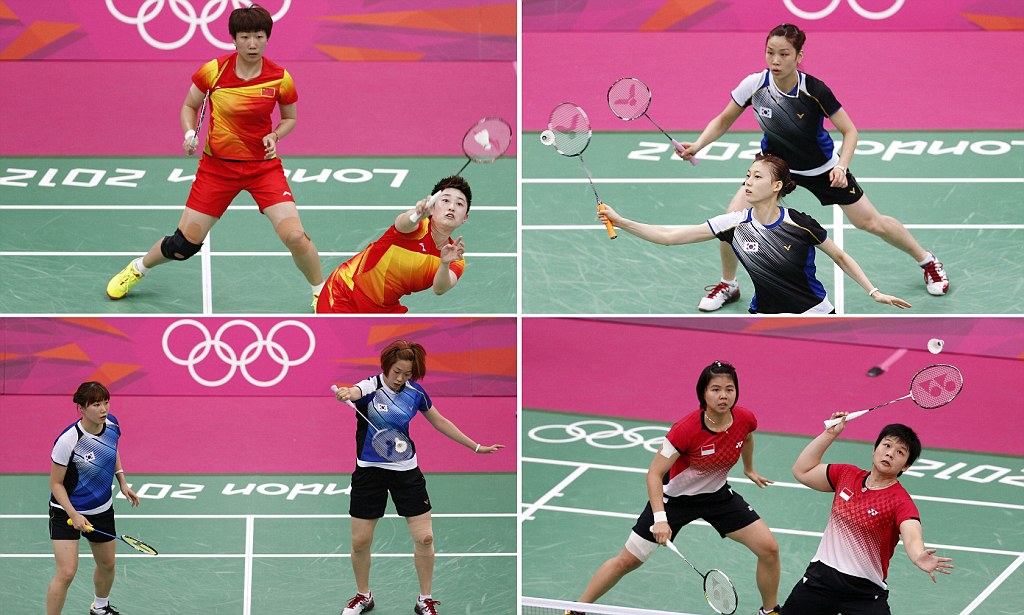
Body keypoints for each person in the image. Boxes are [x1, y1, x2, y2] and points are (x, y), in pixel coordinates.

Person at [678, 23, 949, 311]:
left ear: (799, 56)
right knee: (732, 219)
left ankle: (927, 260)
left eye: (784, 54)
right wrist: (699, 144)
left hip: (821, 168)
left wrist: (842, 167)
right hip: (776, 167)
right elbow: (723, 120)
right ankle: (729, 283)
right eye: (770, 53)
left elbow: (850, 131)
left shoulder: (813, 90)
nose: (775, 61)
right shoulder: (755, 84)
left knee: (870, 222)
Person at [106, 4, 324, 309]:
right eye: (245, 36)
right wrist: (188, 134)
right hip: (217, 169)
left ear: (267, 38)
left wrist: (276, 135)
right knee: (183, 245)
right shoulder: (214, 71)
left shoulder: (280, 78)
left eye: (258, 36)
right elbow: (189, 107)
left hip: (263, 169)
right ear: (233, 39)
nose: (251, 44)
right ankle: (138, 268)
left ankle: (321, 292)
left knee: (296, 237)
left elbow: (290, 118)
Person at [566, 361, 783, 615]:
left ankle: (770, 611)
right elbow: (654, 474)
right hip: (674, 501)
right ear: (703, 393)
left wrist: (749, 468)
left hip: (717, 496)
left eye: (729, 389)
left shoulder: (744, 418)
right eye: (715, 389)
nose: (723, 395)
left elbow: (746, 437)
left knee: (769, 549)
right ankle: (575, 609)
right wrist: (660, 519)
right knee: (627, 561)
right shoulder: (685, 430)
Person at [599, 154, 911, 314]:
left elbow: (841, 257)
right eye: (747, 176)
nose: (748, 182)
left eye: (757, 176)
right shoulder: (733, 223)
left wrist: (874, 292)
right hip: (763, 316)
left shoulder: (800, 223)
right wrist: (622, 221)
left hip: (815, 313)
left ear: (777, 186)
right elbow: (670, 236)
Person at [333, 340, 503, 615]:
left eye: (407, 373)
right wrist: (346, 393)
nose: (401, 378)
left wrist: (476, 446)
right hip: (369, 472)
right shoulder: (371, 387)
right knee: (360, 542)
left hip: (406, 472)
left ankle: (424, 599)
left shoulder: (415, 393)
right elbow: (354, 391)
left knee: (425, 538)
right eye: (397, 371)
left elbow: (440, 421)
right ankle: (363, 595)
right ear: (386, 366)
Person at [783, 418, 954, 614]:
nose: (890, 453)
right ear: (875, 449)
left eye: (900, 452)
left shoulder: (900, 502)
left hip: (863, 593)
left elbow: (912, 532)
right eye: (887, 445)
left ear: (906, 466)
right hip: (820, 581)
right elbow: (802, 471)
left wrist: (917, 555)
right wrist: (830, 434)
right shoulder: (846, 475)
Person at [47, 382, 140, 615]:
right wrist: (73, 514)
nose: (103, 409)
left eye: (106, 402)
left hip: (101, 509)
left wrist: (122, 481)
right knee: (67, 572)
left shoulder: (112, 425)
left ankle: (100, 608)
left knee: (107, 565)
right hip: (66, 511)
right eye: (96, 404)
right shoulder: (69, 440)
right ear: (81, 408)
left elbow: (111, 449)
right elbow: (55, 484)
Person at [316, 176, 469, 313]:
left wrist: (444, 263)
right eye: (445, 200)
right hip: (344, 294)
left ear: (465, 218)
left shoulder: (455, 258)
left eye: (459, 204)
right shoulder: (418, 227)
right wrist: (416, 215)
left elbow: (439, 289)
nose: (451, 207)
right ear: (433, 205)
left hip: (383, 309)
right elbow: (404, 222)